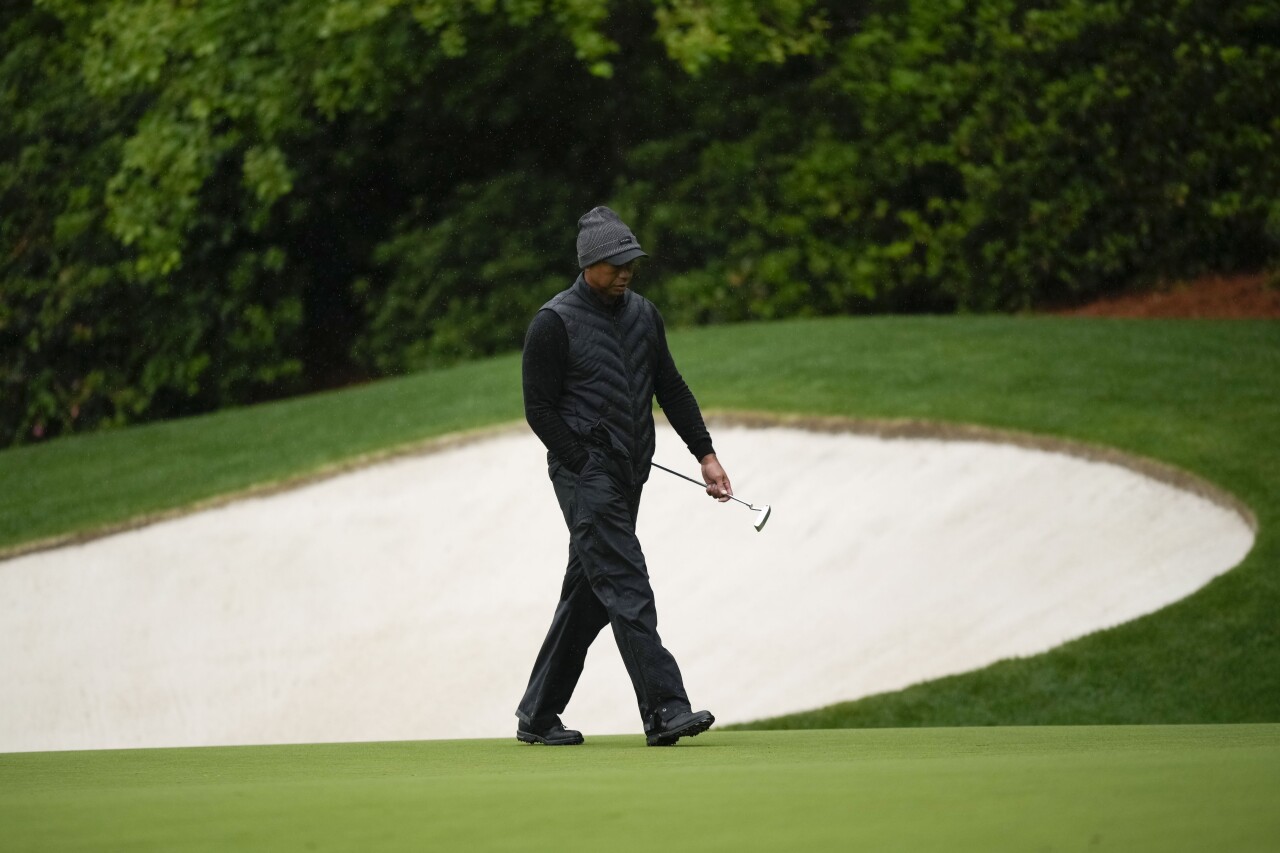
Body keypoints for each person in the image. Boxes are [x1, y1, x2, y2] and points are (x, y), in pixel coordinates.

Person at [515, 206, 732, 747]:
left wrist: (704, 454)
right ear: (590, 263)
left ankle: (538, 715)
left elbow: (672, 389)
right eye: (615, 263)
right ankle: (665, 709)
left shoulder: (643, 315)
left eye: (631, 261)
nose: (626, 270)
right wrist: (583, 462)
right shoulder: (553, 322)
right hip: (585, 475)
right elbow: (539, 410)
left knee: (589, 594)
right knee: (627, 581)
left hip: (628, 473)